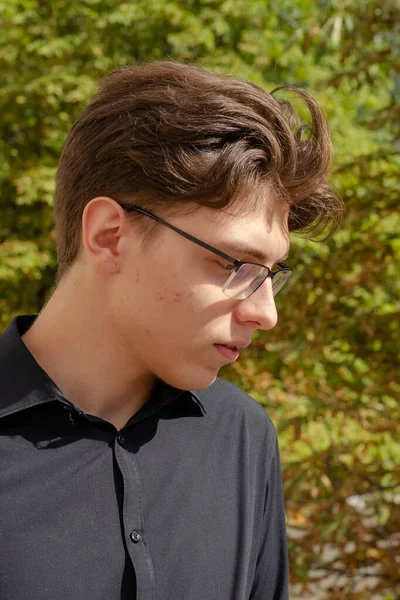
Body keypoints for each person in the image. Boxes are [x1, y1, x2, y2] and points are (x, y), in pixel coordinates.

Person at [0, 61, 342, 600]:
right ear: (111, 236)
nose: (267, 314)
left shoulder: (244, 438)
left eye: (273, 274)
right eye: (236, 265)